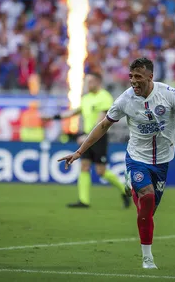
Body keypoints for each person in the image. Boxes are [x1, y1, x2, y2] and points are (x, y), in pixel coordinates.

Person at [58, 58, 175, 269]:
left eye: (138, 77)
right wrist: (80, 151)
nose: (133, 82)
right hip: (137, 157)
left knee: (149, 211)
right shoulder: (125, 99)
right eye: (131, 77)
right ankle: (147, 257)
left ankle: (131, 186)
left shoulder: (169, 94)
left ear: (150, 77)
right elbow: (104, 125)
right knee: (146, 199)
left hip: (163, 160)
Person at [48, 73, 130, 209]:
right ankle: (83, 200)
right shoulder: (86, 98)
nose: (88, 84)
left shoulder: (104, 97)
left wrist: (87, 135)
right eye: (86, 82)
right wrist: (55, 117)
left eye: (90, 81)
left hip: (99, 137)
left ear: (98, 82)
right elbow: (75, 111)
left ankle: (125, 190)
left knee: (101, 171)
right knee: (84, 166)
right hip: (86, 137)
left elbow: (102, 119)